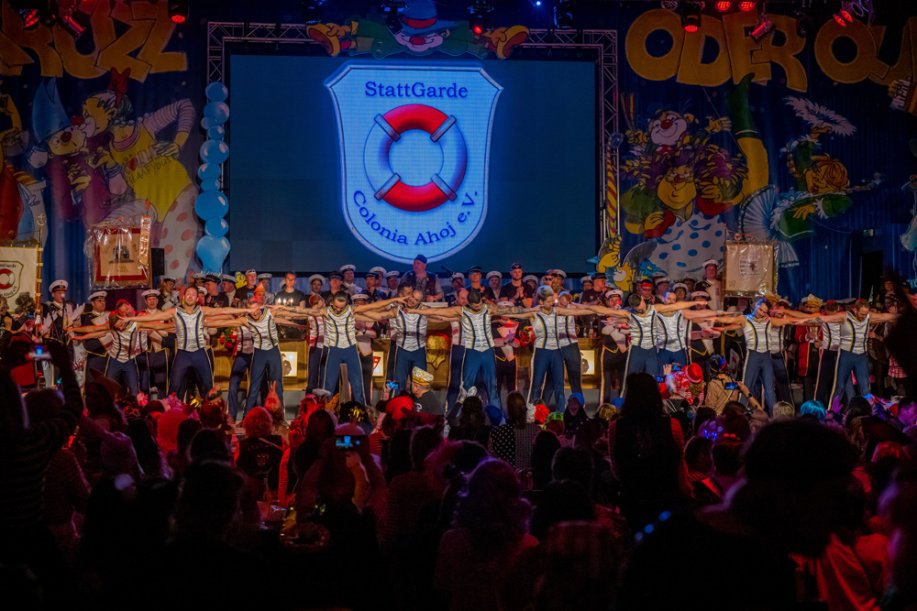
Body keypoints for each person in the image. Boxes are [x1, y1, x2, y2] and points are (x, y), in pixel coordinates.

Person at [274, 291, 404, 405]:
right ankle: (328, 415)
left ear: (346, 304)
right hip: (334, 351)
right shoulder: (326, 311)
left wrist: (395, 299)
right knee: (329, 387)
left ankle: (361, 414)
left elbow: (374, 306)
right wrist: (281, 308)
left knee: (357, 386)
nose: (338, 310)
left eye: (342, 307)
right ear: (332, 303)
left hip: (350, 350)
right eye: (336, 307)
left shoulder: (351, 309)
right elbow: (302, 311)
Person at [127, 285, 255, 400]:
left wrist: (247, 311)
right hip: (183, 355)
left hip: (200, 354)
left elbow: (224, 310)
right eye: (188, 294)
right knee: (174, 387)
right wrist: (130, 319)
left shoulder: (202, 310)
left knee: (207, 387)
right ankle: (173, 413)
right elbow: (153, 317)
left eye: (193, 294)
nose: (190, 296)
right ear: (183, 297)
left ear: (197, 298)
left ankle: (209, 413)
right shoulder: (175, 311)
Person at [588, 293, 707, 391]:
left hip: (654, 350)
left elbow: (678, 306)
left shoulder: (655, 308)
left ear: (642, 299)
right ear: (633, 307)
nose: (642, 308)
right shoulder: (629, 313)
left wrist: (695, 303)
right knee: (632, 380)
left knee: (655, 379)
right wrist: (585, 307)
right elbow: (604, 310)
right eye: (638, 308)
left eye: (642, 305)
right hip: (638, 350)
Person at [715, 298, 816, 414]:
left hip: (766, 357)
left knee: (770, 389)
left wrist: (810, 318)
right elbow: (728, 320)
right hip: (753, 356)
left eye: (764, 311)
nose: (761, 313)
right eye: (760, 309)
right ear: (756, 305)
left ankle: (774, 415)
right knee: (747, 386)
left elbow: (791, 321)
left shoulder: (769, 320)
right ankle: (739, 414)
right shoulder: (745, 319)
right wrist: (714, 320)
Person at [427, 290, 520, 410]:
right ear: (457, 298)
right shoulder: (455, 312)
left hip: (475, 349)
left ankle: (483, 411)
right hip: (458, 349)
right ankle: (451, 412)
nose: (464, 300)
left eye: (465, 298)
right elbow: (438, 317)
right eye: (461, 298)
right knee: (455, 383)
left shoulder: (478, 312)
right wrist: (423, 313)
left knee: (480, 382)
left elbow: (494, 316)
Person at [504, 286, 591, 409]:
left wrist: (602, 310)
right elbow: (517, 313)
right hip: (548, 349)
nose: (561, 303)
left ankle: (570, 411)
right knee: (544, 382)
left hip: (566, 347)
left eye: (566, 301)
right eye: (558, 300)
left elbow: (585, 310)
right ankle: (538, 410)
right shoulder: (539, 312)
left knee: (568, 381)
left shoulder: (564, 309)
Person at [820, 299, 898, 404]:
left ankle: (867, 410)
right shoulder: (845, 316)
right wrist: (798, 320)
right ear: (855, 310)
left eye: (866, 314)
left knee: (865, 387)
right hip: (846, 355)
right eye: (862, 314)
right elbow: (820, 318)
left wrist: (908, 315)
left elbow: (885, 316)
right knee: (840, 386)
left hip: (861, 356)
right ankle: (833, 410)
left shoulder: (868, 316)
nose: (864, 316)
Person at [654, 290, 718, 367]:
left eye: (674, 300)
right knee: (663, 373)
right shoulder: (656, 314)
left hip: (680, 353)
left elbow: (688, 333)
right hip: (662, 352)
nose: (671, 302)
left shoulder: (683, 315)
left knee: (681, 373)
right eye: (669, 299)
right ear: (663, 299)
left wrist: (701, 334)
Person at [598, 289, 628, 403]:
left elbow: (629, 330)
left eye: (617, 300)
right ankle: (603, 405)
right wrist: (617, 323)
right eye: (612, 300)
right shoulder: (603, 314)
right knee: (606, 382)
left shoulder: (626, 314)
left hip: (623, 352)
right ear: (608, 302)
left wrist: (616, 323)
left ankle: (622, 406)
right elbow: (604, 331)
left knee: (623, 382)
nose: (615, 302)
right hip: (609, 352)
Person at [274, 272, 307, 340]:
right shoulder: (279, 295)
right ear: (285, 280)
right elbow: (277, 313)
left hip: (297, 328)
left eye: (292, 279)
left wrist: (288, 316)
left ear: (295, 281)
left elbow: (302, 313)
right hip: (282, 328)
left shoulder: (300, 295)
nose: (290, 281)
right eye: (288, 279)